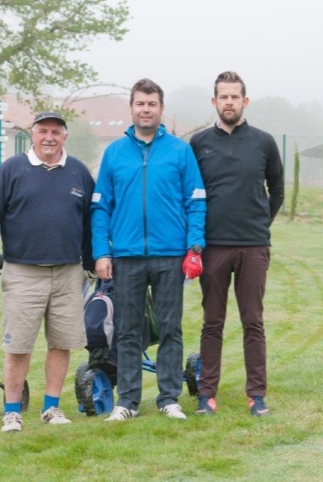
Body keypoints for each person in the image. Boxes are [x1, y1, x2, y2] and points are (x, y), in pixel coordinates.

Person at [92, 78, 206, 422]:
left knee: (171, 327)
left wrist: (194, 246)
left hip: (170, 254)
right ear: (132, 108)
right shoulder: (114, 153)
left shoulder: (179, 151)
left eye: (152, 103)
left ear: (161, 109)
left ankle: (168, 397)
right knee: (127, 329)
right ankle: (127, 401)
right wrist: (101, 252)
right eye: (140, 103)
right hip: (126, 256)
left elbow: (196, 201)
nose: (146, 109)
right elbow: (101, 207)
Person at [0, 111, 95, 433]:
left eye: (56, 131)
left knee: (61, 342)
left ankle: (51, 407)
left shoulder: (79, 173)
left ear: (65, 136)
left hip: (68, 273)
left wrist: (95, 260)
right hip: (23, 271)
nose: (49, 137)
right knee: (19, 345)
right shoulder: (12, 170)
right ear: (33, 134)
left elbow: (90, 224)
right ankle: (12, 412)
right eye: (43, 131)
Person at [189, 71, 284, 417]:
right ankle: (206, 394)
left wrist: (258, 225)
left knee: (252, 322)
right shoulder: (199, 144)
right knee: (212, 322)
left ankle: (256, 395)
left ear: (245, 101)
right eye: (223, 97)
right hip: (212, 247)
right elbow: (191, 194)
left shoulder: (264, 142)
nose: (229, 102)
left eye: (235, 96)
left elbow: (277, 192)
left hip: (253, 247)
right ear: (214, 102)